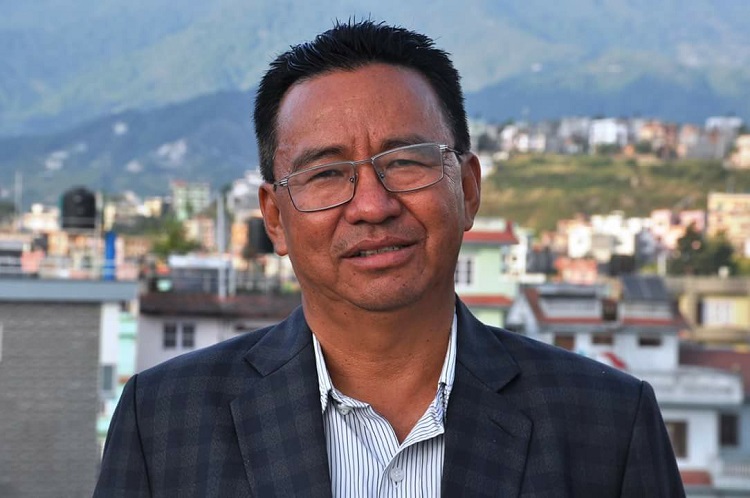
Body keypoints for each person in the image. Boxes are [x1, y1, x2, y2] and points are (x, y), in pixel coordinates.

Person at [95, 20, 685, 497]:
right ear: (274, 217)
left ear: (468, 188)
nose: (372, 206)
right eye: (327, 174)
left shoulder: (607, 423)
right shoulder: (165, 421)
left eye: (405, 161)